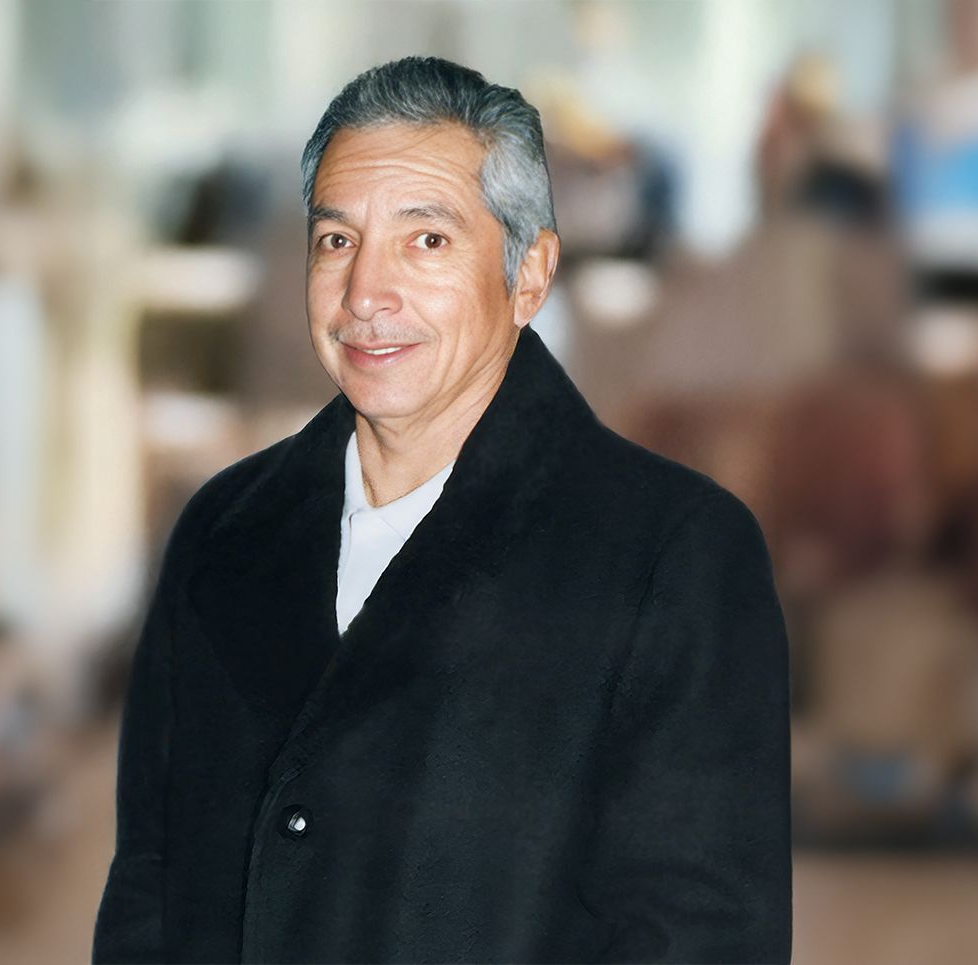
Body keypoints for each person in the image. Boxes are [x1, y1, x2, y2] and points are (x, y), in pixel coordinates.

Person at [92, 56, 791, 964]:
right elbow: (148, 887)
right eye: (336, 240)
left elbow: (702, 937)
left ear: (528, 273)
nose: (364, 294)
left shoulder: (670, 556)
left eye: (425, 240)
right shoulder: (221, 533)